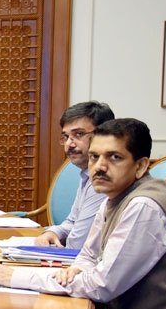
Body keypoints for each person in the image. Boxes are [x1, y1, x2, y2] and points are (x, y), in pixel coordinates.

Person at [0, 118, 166, 309]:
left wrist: (17, 277)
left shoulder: (143, 206)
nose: (99, 166)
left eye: (114, 157)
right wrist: (76, 270)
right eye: (94, 157)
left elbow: (101, 286)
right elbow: (89, 255)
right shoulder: (114, 196)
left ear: (140, 166)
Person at [34, 101, 114, 249]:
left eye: (79, 134)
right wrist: (52, 233)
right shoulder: (86, 174)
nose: (69, 144)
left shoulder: (106, 178)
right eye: (66, 137)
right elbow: (71, 222)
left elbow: (79, 243)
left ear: (103, 135)